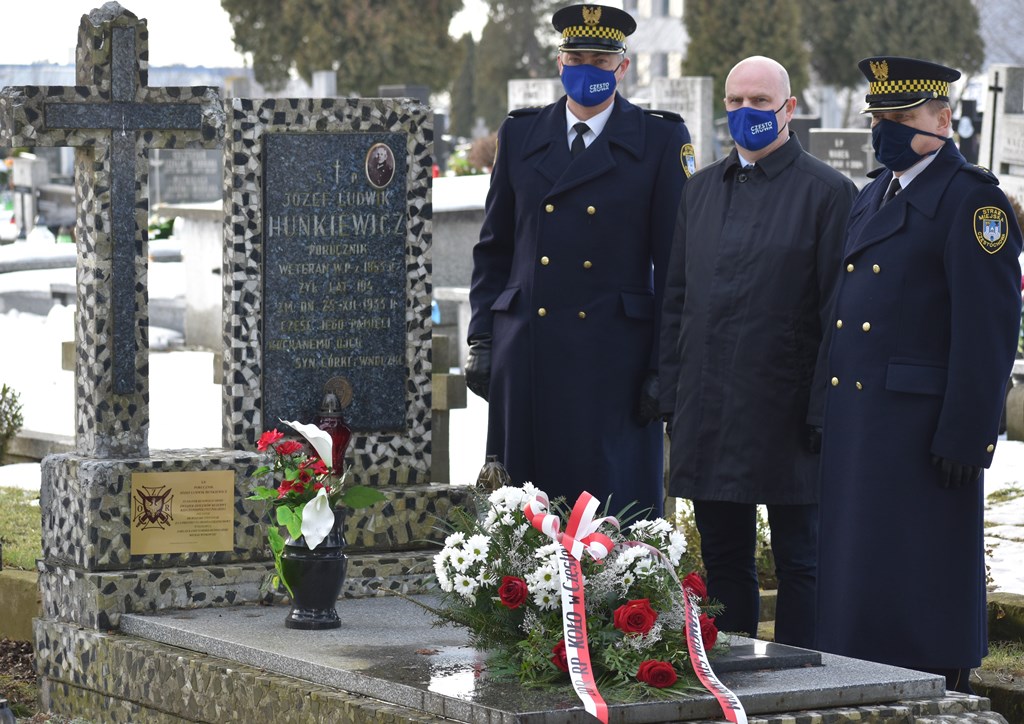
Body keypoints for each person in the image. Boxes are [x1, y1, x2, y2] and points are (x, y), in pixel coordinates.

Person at [816, 57, 1023, 693]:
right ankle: (859, 676)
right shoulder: (874, 193)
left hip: (923, 432)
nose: (886, 131)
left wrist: (967, 433)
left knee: (919, 577)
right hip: (860, 420)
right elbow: (842, 310)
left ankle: (934, 684)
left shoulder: (973, 201)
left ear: (943, 118)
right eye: (879, 118)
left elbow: (987, 330)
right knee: (860, 575)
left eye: (901, 118)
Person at [659, 56, 856, 648]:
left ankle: (805, 669)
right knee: (724, 562)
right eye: (735, 102)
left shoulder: (828, 193)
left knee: (803, 561)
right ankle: (732, 669)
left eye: (759, 103)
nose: (746, 113)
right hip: (711, 407)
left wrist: (824, 409)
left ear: (788, 109)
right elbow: (676, 300)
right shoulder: (700, 190)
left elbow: (836, 315)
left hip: (790, 410)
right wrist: (671, 394)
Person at [465, 3, 692, 517]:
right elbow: (495, 247)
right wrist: (482, 337)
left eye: (600, 58)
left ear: (622, 67)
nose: (586, 68)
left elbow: (677, 267)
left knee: (612, 523)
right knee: (524, 526)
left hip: (615, 364)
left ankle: (621, 603)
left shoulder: (659, 140)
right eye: (575, 56)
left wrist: (664, 369)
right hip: (528, 357)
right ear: (560, 62)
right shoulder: (522, 135)